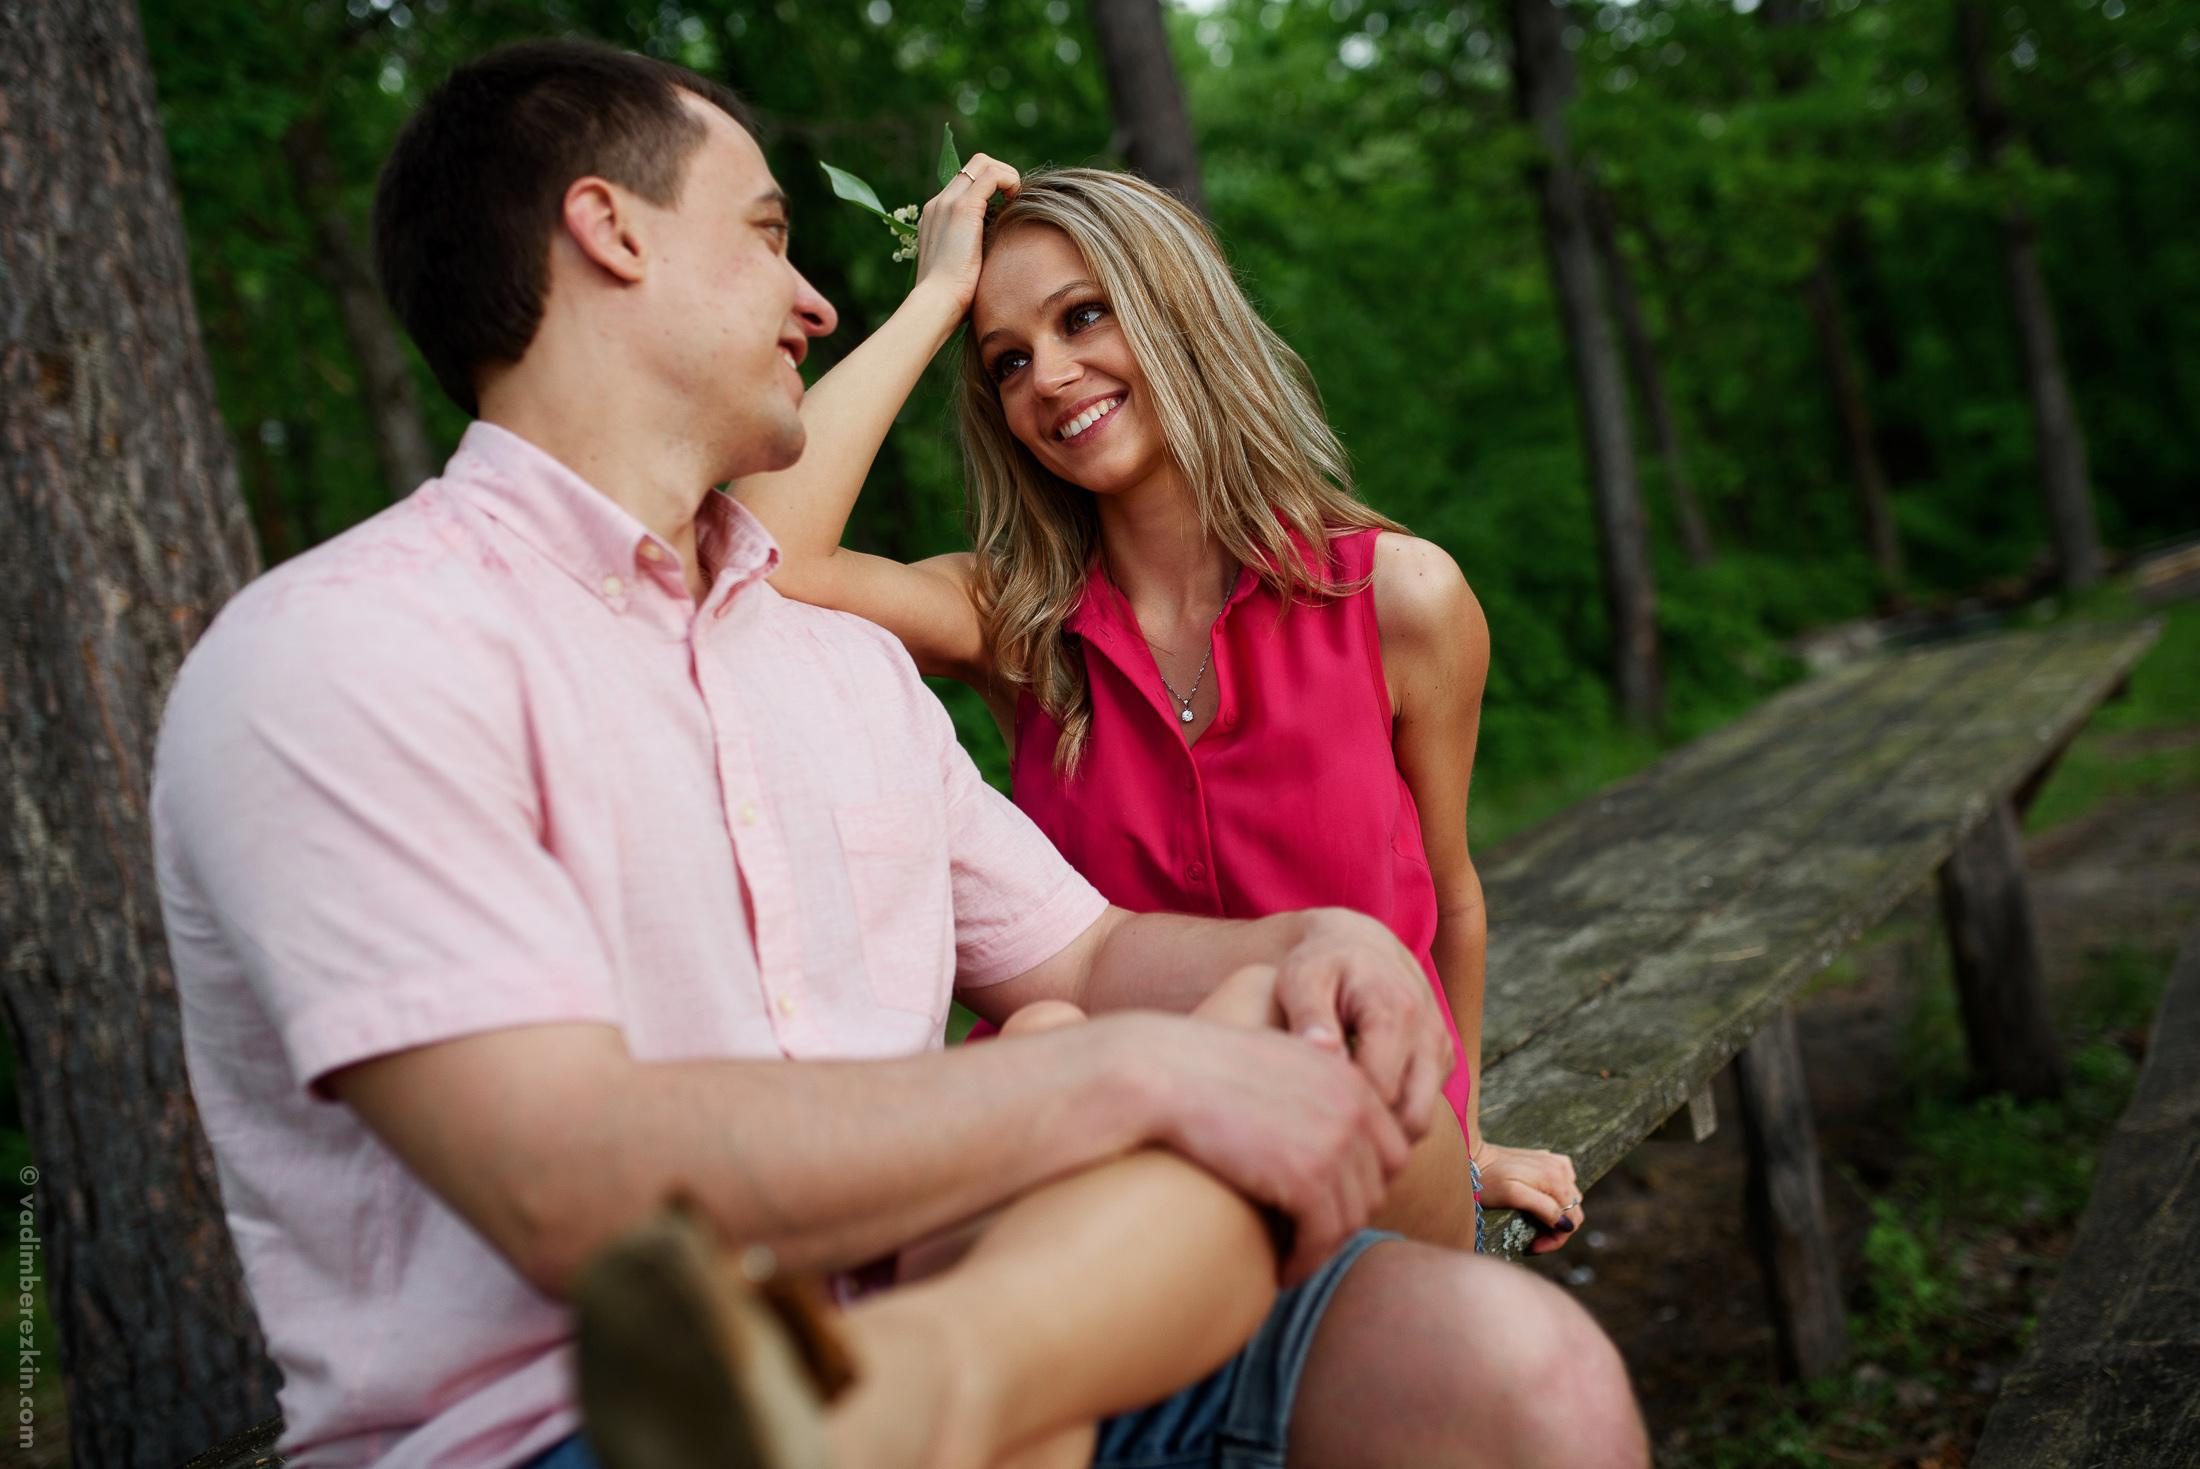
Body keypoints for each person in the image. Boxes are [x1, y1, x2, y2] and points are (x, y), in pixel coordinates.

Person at [151, 38, 1647, 1469]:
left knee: (1524, 1376)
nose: (812, 300)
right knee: (1147, 1062)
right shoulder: (345, 650)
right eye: (766, 231)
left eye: (1074, 323)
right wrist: (1136, 1078)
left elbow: (1093, 948)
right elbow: (566, 1181)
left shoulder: (843, 671)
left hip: (996, 1296)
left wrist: (1328, 949)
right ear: (609, 231)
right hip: (577, 1425)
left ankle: (917, 1392)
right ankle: (934, 1391)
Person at [735, 162, 1584, 1251]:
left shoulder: (1396, 597)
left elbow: (1451, 900)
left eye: (1082, 315)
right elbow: (762, 555)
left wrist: (1460, 1141)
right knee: (1035, 1041)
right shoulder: (1015, 620)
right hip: (1109, 1138)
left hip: (1345, 1116)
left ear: (1173, 310)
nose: (1047, 374)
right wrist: (934, 294)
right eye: (1006, 360)